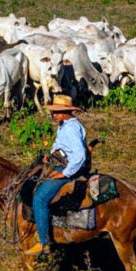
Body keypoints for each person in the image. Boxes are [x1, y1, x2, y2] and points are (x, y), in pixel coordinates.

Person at [25, 94, 87, 256]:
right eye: (53, 112)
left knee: (40, 198)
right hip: (58, 164)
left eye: (57, 112)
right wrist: (50, 156)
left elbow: (79, 155)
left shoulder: (71, 128)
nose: (54, 115)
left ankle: (45, 243)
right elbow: (60, 146)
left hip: (67, 169)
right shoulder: (63, 125)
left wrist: (64, 174)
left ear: (67, 112)